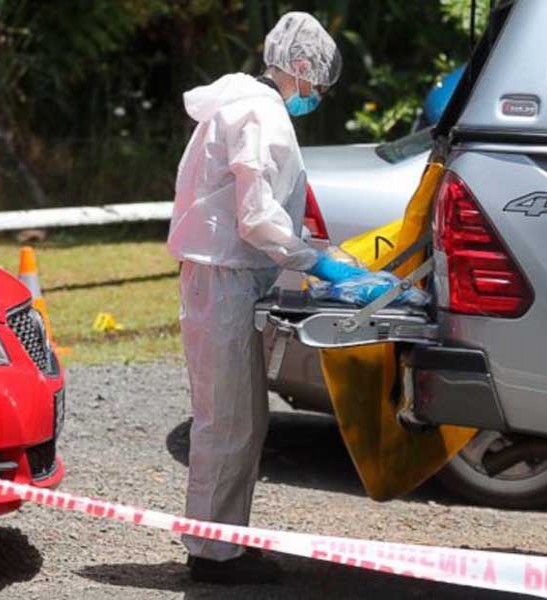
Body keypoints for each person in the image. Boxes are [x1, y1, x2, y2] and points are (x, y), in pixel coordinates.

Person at [167, 12, 377, 585]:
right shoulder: (259, 114)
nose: (318, 94)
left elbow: (262, 209)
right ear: (302, 67)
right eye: (319, 83)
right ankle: (211, 556)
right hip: (225, 277)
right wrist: (317, 262)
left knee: (241, 419)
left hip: (229, 276)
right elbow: (257, 216)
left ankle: (223, 543)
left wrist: (318, 253)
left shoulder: (243, 105)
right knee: (228, 421)